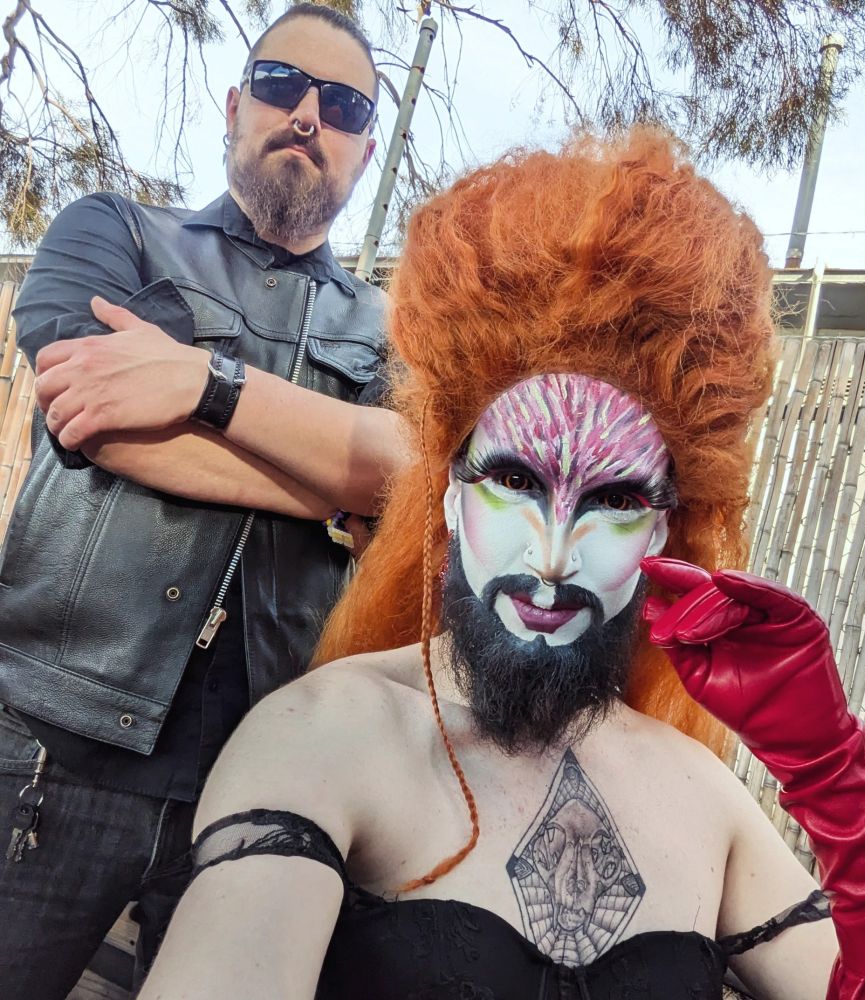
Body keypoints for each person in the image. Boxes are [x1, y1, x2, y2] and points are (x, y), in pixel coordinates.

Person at [152, 133, 865, 997]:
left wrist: (832, 768)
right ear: (449, 495)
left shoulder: (700, 792)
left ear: (663, 533)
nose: (552, 559)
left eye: (614, 499)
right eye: (516, 482)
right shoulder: (327, 733)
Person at [0, 5, 406, 997]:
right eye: (282, 85)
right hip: (49, 748)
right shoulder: (116, 231)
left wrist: (201, 385)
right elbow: (94, 414)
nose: (308, 114)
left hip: (257, 784)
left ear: (365, 149)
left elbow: (412, 478)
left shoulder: (392, 334)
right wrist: (328, 485)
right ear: (234, 107)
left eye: (343, 105)